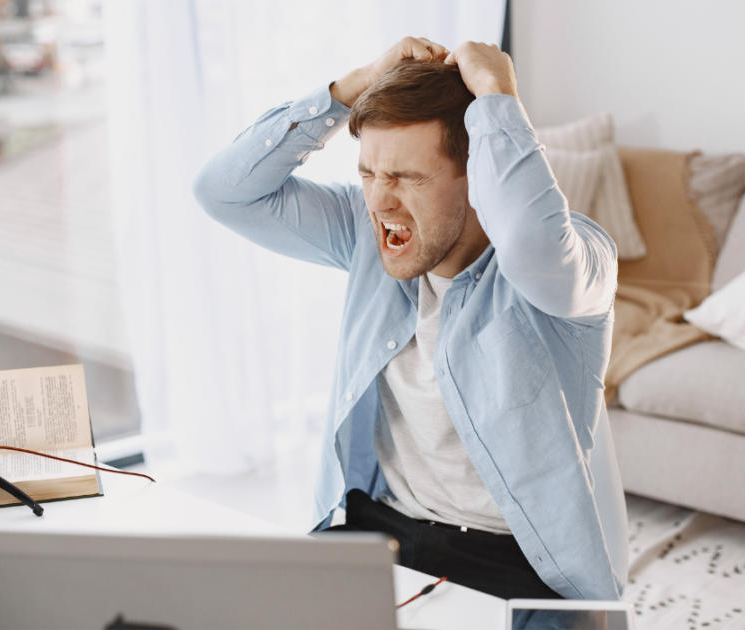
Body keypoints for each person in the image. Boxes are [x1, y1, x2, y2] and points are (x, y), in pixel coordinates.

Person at [192, 37, 621, 601]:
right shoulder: (363, 233)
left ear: (477, 176)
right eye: (369, 173)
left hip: (514, 559)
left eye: (407, 178)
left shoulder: (575, 257)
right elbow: (223, 193)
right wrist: (351, 87)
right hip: (376, 528)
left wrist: (496, 92)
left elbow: (531, 244)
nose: (378, 201)